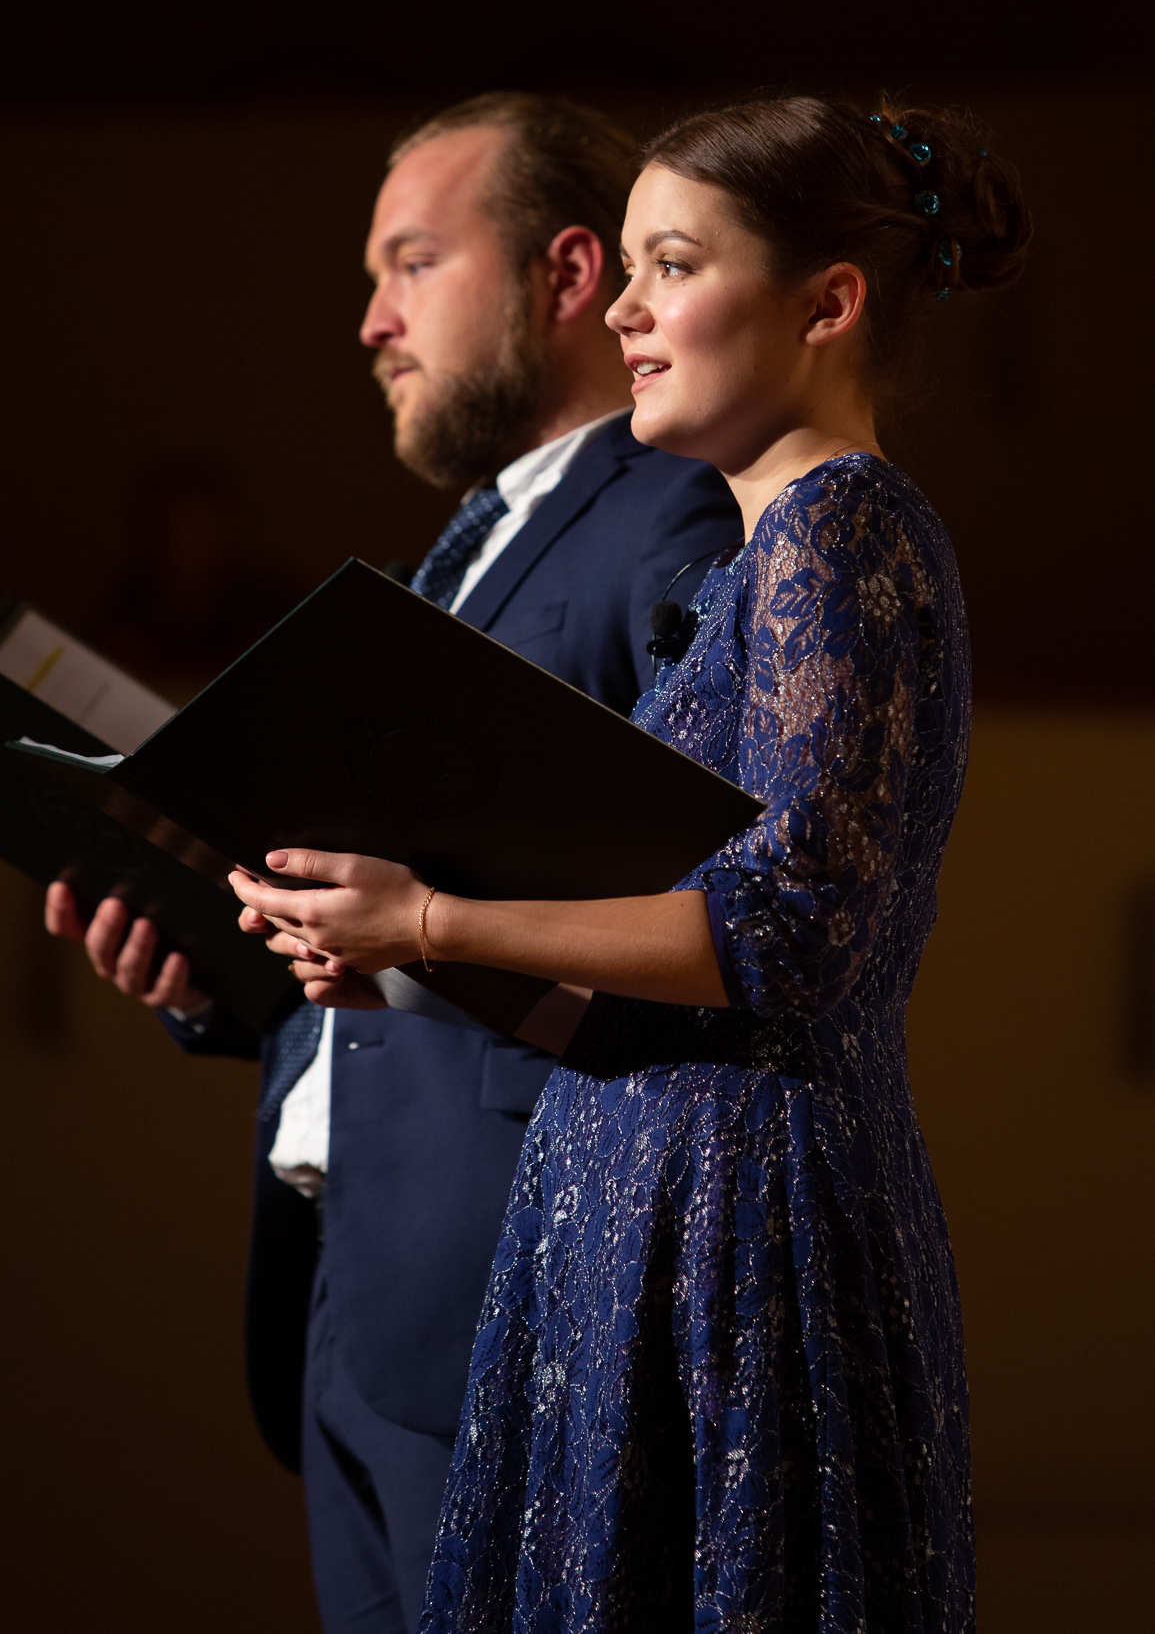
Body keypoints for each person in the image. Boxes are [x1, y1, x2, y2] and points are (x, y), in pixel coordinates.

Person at [232, 95, 1031, 1631]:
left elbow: (785, 931)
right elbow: (677, 979)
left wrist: (434, 913)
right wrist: (409, 962)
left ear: (826, 304)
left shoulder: (837, 529)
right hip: (644, 1180)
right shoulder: (768, 551)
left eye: (673, 264)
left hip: (736, 1203)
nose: (624, 309)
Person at [44, 91, 742, 1634]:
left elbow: (719, 911)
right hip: (343, 1292)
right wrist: (216, 967)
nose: (371, 323)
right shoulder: (467, 547)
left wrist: (427, 922)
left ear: (568, 275)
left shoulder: (671, 515)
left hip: (504, 1280)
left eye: (413, 264)